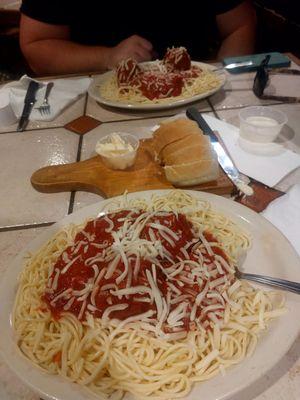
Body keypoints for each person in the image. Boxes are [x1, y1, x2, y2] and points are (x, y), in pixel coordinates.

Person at [19, 0, 256, 75]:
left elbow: (240, 25)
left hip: (197, 88)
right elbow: (36, 48)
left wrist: (222, 78)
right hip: (97, 95)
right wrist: (107, 56)